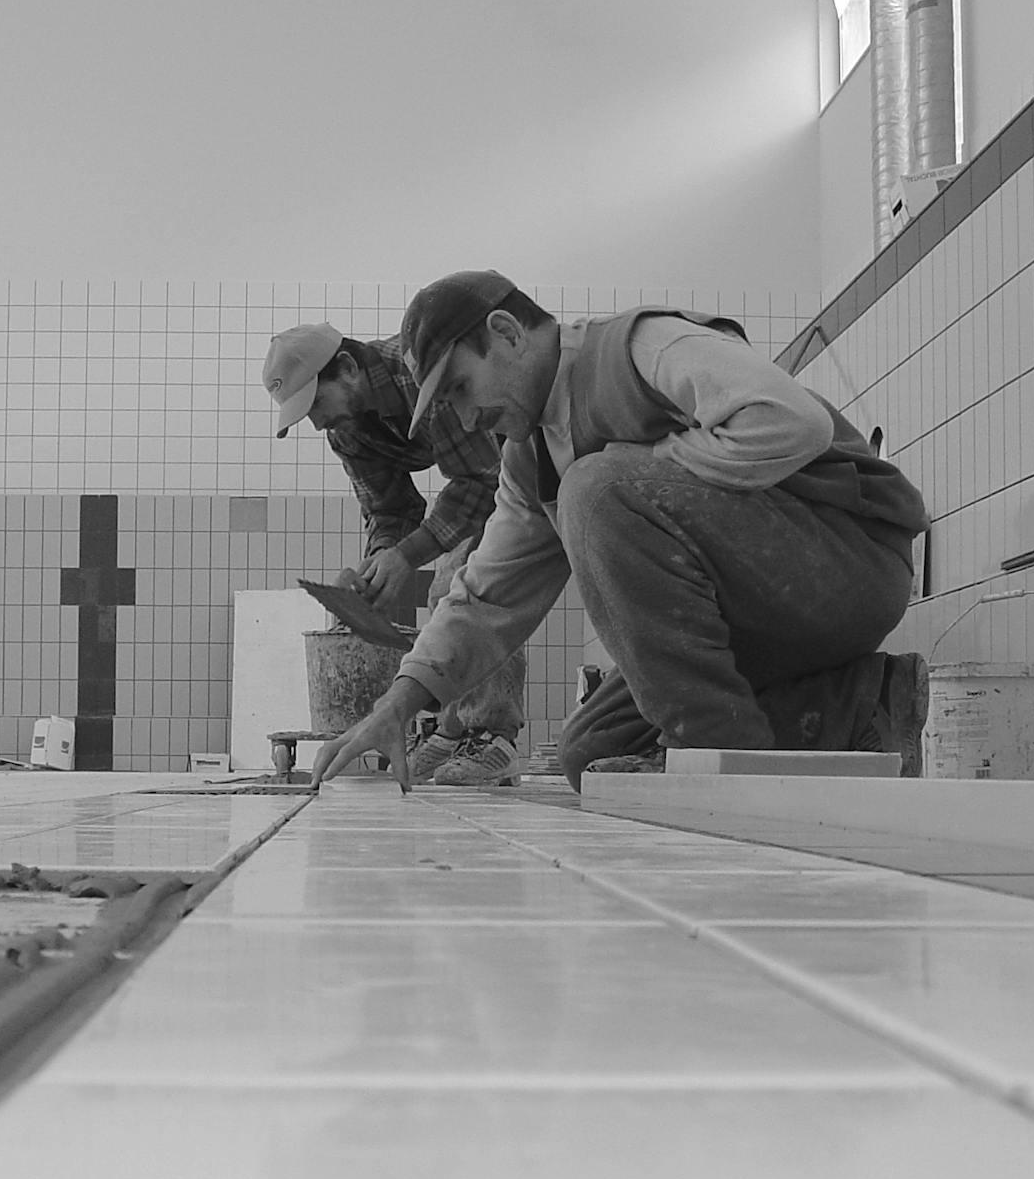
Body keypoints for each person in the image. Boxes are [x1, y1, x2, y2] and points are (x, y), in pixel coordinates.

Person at [311, 270, 931, 792]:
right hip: (758, 621)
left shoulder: (639, 347)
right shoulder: (528, 458)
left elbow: (790, 421)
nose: (467, 417)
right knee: (592, 753)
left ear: (505, 334)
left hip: (849, 564)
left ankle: (714, 754)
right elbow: (487, 595)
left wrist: (634, 476)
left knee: (595, 486)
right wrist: (396, 707)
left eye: (461, 387)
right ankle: (862, 702)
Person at [262, 321, 529, 785]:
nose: (319, 423)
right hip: (489, 473)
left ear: (346, 368)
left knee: (461, 578)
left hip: (527, 455)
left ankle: (492, 736)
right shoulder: (347, 431)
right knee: (446, 589)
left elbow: (482, 481)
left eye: (317, 404)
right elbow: (390, 508)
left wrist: (407, 556)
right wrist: (380, 560)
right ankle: (452, 729)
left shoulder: (418, 372)